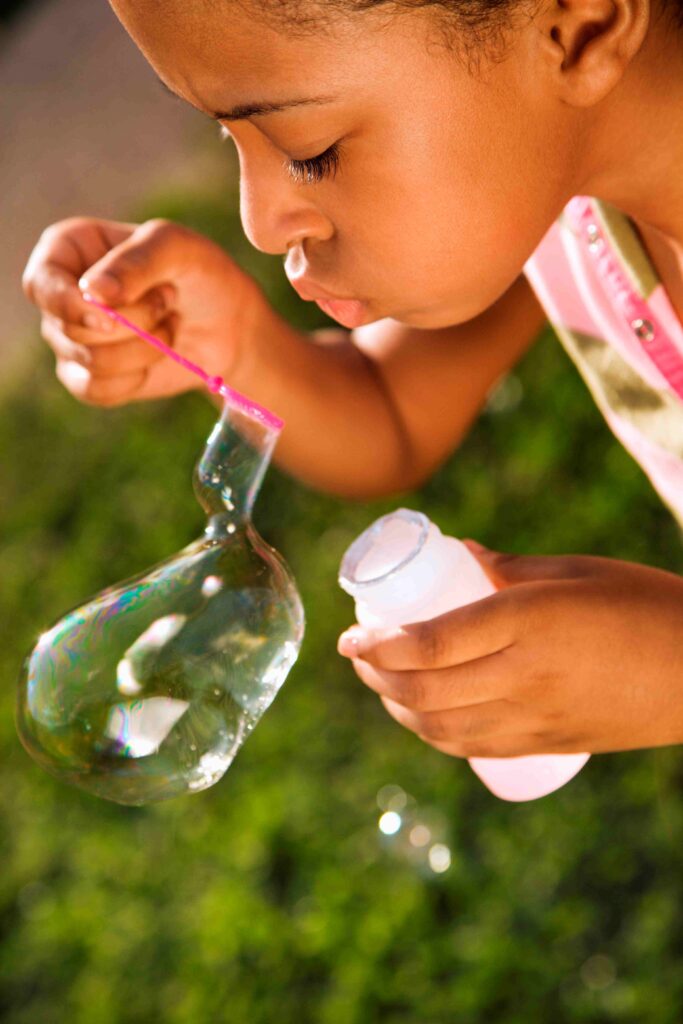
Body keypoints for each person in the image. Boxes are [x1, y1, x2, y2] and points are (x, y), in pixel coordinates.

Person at [22, 0, 683, 763]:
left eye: (309, 150)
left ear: (577, 27)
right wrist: (239, 344)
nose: (259, 223)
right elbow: (392, 414)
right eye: (227, 133)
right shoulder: (561, 197)